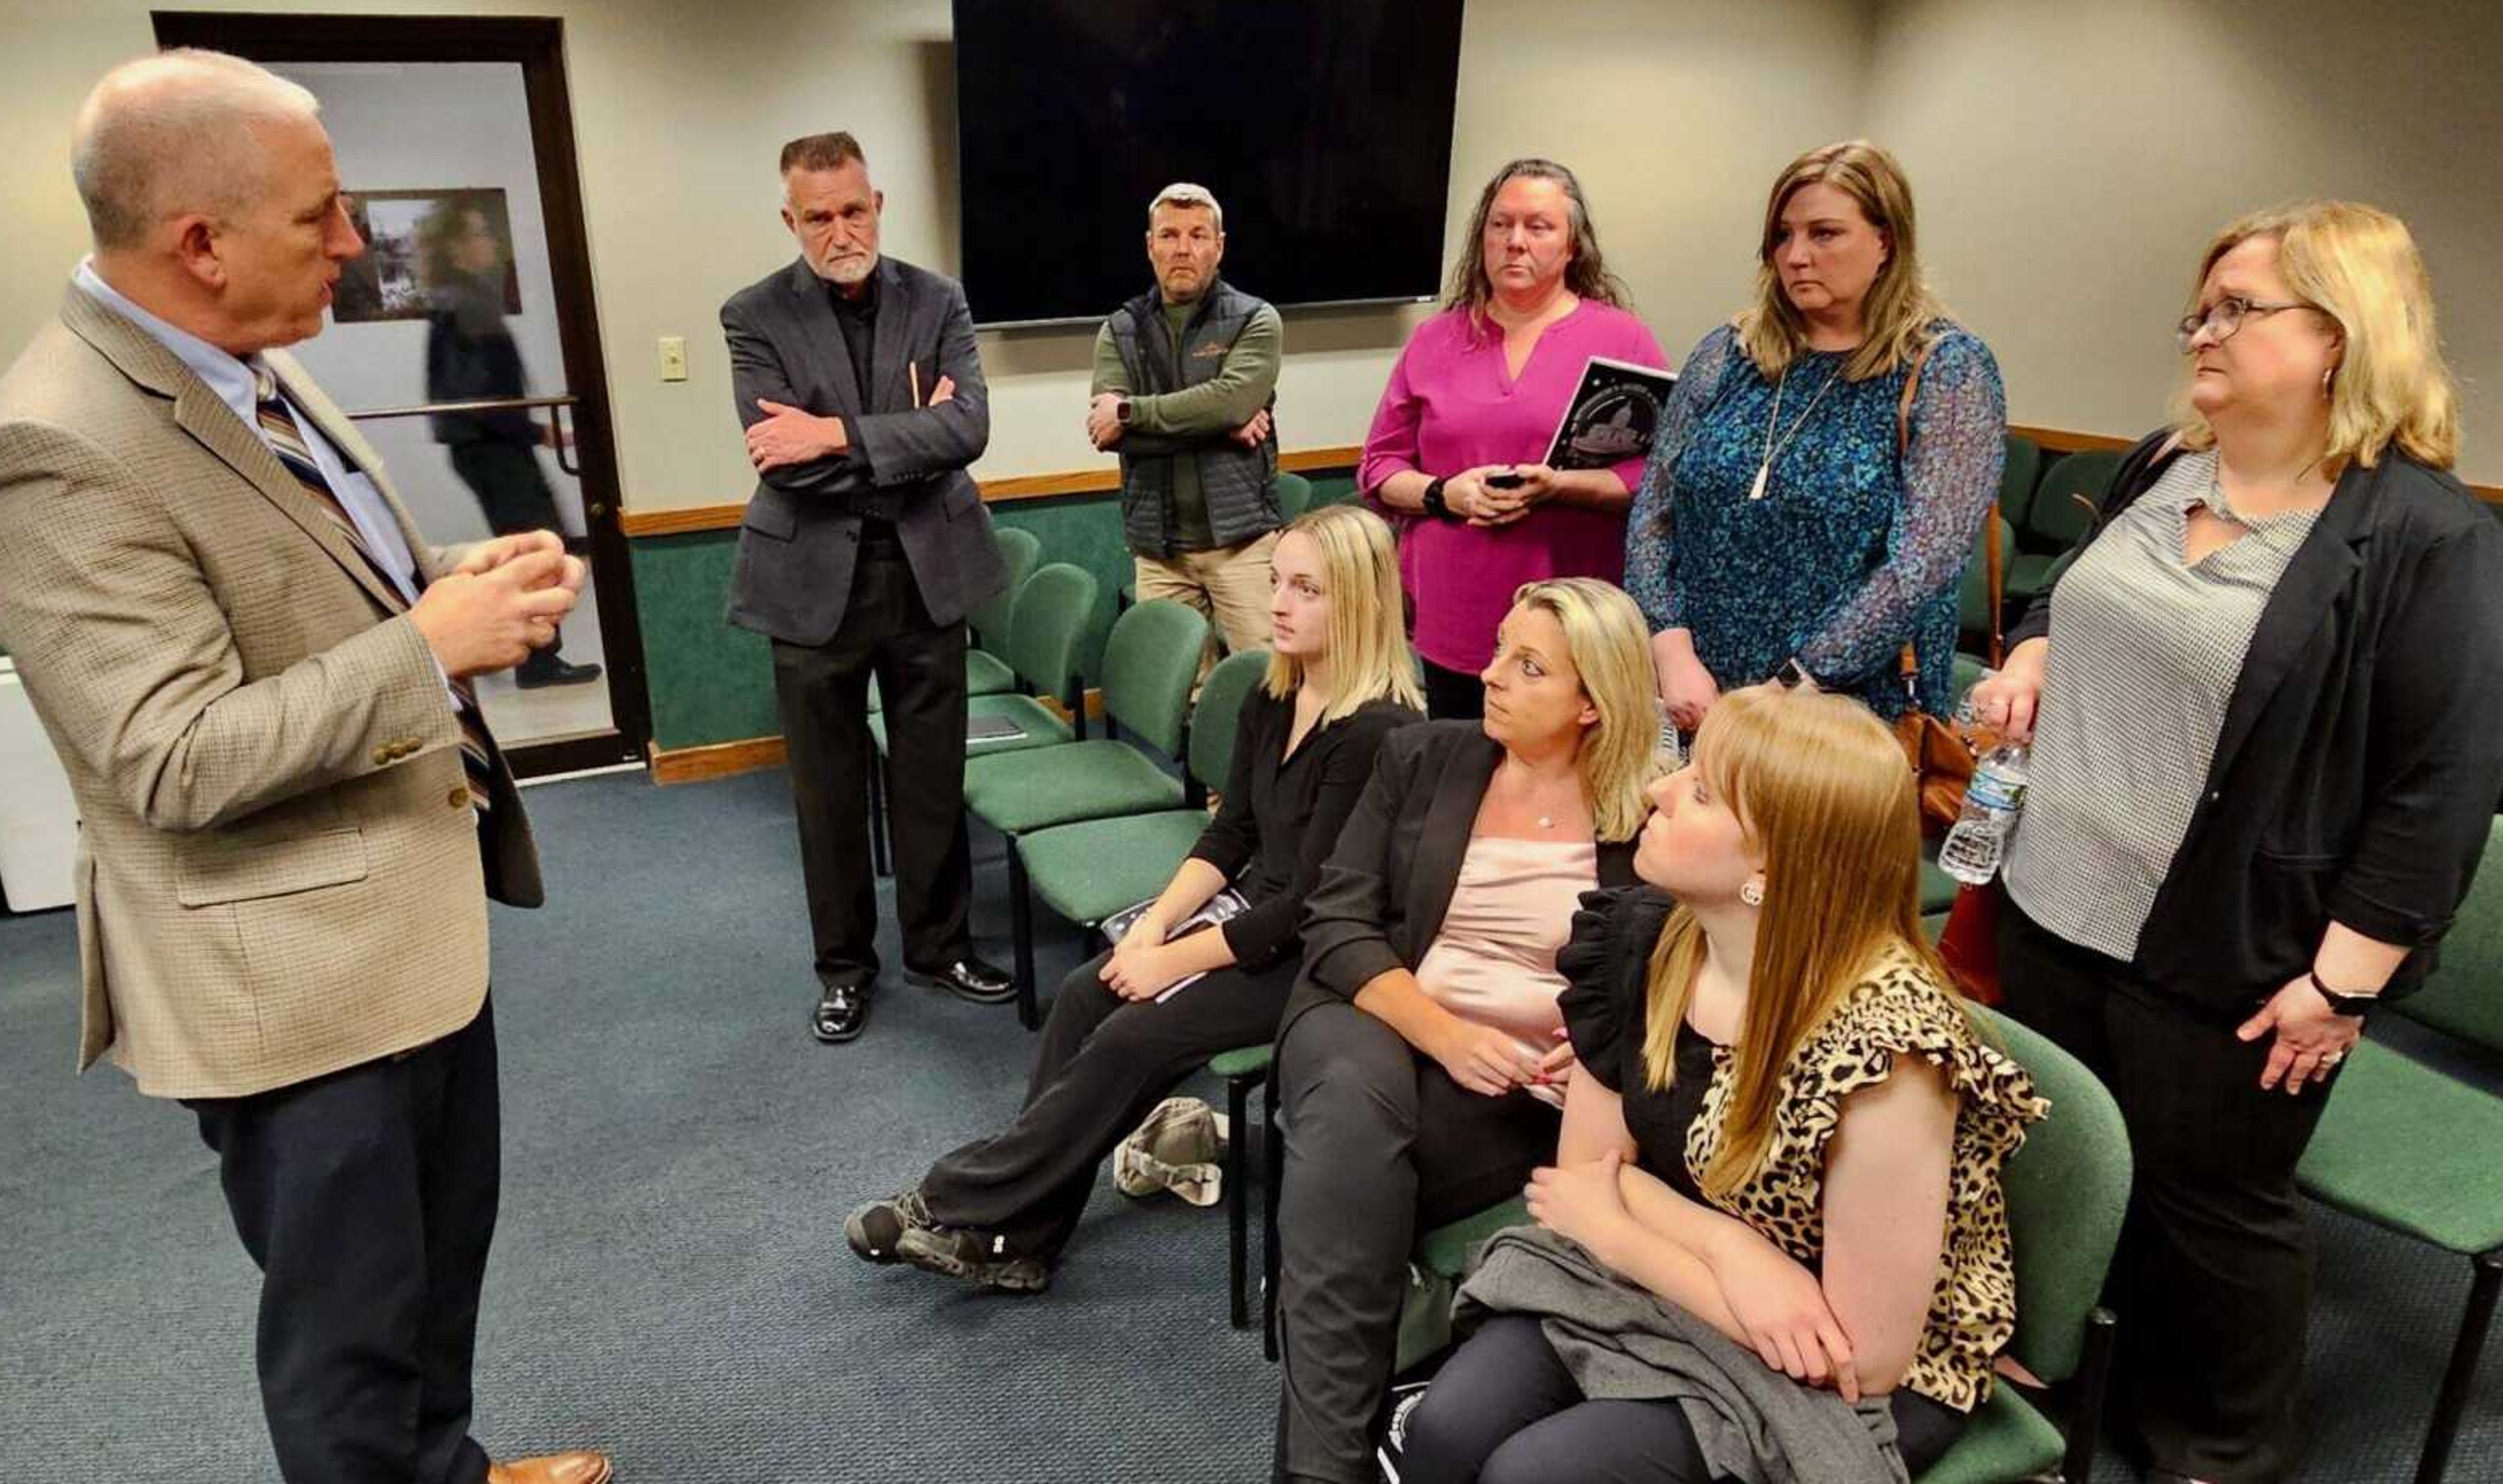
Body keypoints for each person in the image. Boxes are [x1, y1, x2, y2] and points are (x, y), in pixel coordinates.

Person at [0, 50, 606, 1484]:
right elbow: (170, 756)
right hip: (288, 984)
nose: (357, 244)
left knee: (435, 1277)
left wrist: (455, 580)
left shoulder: (256, 357)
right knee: (347, 1334)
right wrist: (433, 647)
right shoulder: (52, 447)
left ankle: (449, 1466)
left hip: (408, 935)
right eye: (324, 215)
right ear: (202, 242)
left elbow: (326, 586)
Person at [1970, 200, 2503, 1484]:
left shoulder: (2424, 536)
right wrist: (2038, 647)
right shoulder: (2167, 461)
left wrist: (2341, 986)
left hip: (2237, 953)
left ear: (2341, 334)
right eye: (2199, 309)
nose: (2200, 331)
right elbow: (2067, 587)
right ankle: (2085, 1389)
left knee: (2212, 1214)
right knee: (2067, 1166)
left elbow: (2440, 789)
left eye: (2237, 309)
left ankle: (2217, 1452)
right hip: (2054, 900)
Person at [1398, 686, 2047, 1484]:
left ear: (1772, 864)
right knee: (1444, 1430)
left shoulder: (1890, 1053)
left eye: (1700, 791)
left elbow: (1864, 1359)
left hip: (1853, 1367)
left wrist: (1619, 1222)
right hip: (1684, 1274)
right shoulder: (1645, 937)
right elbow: (1582, 1184)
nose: (1656, 790)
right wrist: (1730, 1248)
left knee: (1532, 1475)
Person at [843, 504, 1424, 1289]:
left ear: (1358, 603)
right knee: (1088, 993)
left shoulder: (1377, 731)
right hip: (1255, 919)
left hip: (1324, 956)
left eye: (1308, 590)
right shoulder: (1274, 694)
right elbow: (1231, 839)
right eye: (1277, 582)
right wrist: (1150, 932)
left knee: (1133, 1035)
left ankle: (956, 1197)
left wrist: (1173, 962)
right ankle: (1027, 1242)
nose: (1281, 604)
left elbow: (1306, 911)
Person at [1272, 577, 1667, 1483]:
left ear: (1594, 705)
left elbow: (1658, 987)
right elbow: (1336, 922)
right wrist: (1444, 1032)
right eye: (1498, 650)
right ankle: (1331, 1464)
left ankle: (1319, 1455)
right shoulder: (1427, 757)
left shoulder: (1643, 823)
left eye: (1528, 668)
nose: (1488, 675)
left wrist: (1597, 1049)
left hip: (1518, 1089)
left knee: (1338, 1194)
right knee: (1350, 1124)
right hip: (1372, 1009)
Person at [722, 130, 1014, 1042]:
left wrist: (835, 436)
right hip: (812, 585)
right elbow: (784, 467)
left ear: (877, 203)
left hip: (928, 573)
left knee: (932, 779)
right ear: (790, 220)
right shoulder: (753, 315)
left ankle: (940, 945)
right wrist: (900, 439)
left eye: (854, 209)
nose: (840, 228)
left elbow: (968, 429)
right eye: (819, 217)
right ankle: (845, 968)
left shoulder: (939, 300)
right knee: (829, 791)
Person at [1626, 139, 2005, 728]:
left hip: (1838, 711)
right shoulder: (1729, 353)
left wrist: (1792, 684)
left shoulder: (1945, 370)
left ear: (1886, 241)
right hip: (1695, 694)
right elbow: (1655, 509)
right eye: (1784, 235)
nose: (1797, 255)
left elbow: (1921, 566)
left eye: (1825, 234)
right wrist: (1671, 652)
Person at [1360, 159, 1669, 720]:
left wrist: (1562, 486)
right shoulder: (1436, 340)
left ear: (1573, 245)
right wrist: (1445, 494)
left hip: (1573, 619)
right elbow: (1380, 467)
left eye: (1538, 227)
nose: (1515, 243)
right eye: (1500, 226)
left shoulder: (1622, 339)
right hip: (1454, 616)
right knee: (1461, 776)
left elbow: (1658, 474)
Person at [1087, 182, 1286, 670]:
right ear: (1150, 245)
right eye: (1170, 235)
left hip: (1243, 545)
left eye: (1198, 235)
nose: (1183, 248)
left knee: (1267, 686)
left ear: (1219, 247)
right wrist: (1221, 425)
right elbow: (1106, 433)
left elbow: (1229, 402)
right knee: (1179, 699)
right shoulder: (1119, 329)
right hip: (1160, 553)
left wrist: (1133, 413)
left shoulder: (1257, 320)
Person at [418, 195, 601, 689]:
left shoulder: (458, 296)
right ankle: (537, 660)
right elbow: (482, 393)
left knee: (535, 545)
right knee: (540, 550)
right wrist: (534, 431)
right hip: (489, 445)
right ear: (457, 247)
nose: (489, 243)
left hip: (482, 444)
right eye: (479, 234)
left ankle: (535, 656)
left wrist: (534, 431)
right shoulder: (468, 302)